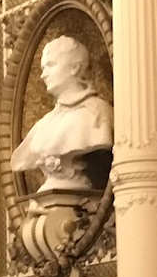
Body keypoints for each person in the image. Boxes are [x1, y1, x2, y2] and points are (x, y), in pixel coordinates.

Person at [10, 35, 114, 193]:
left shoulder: (97, 113)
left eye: (51, 65)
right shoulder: (44, 123)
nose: (43, 75)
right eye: (43, 68)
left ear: (74, 68)